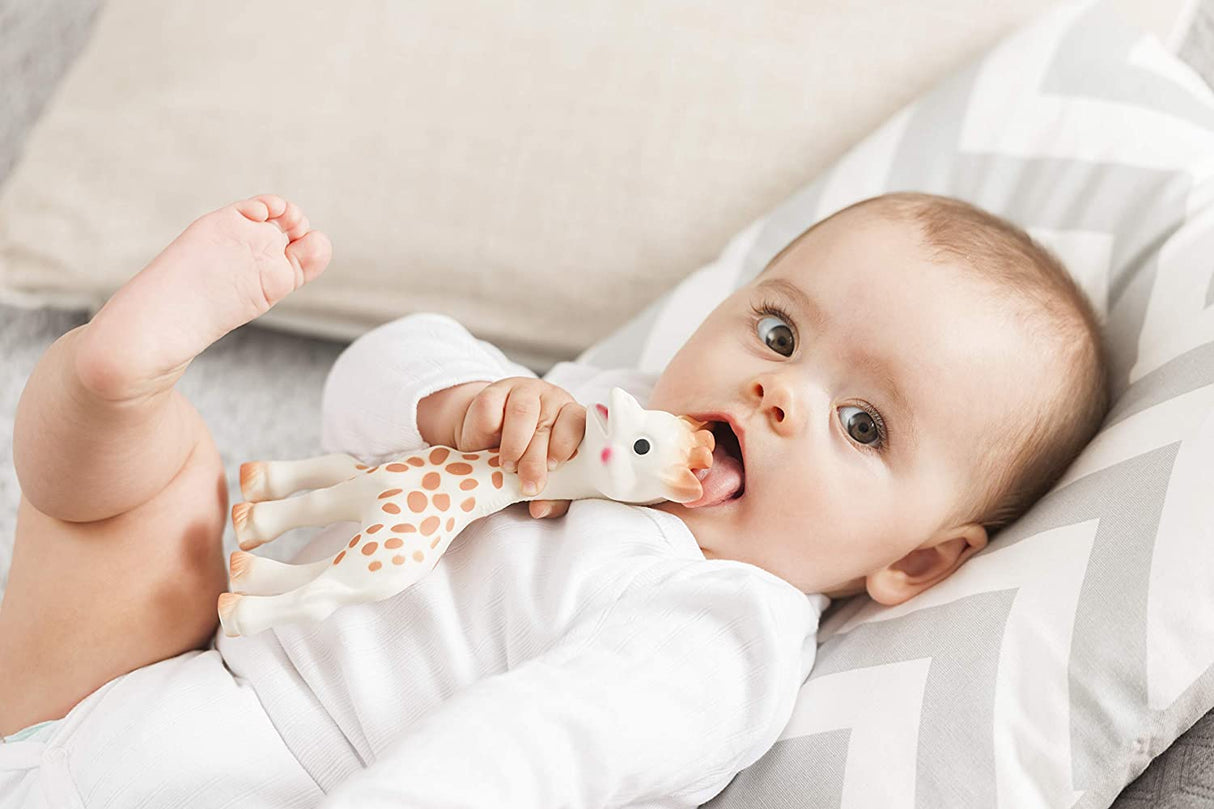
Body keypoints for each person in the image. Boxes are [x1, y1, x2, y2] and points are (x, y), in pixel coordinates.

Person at [0, 190, 1109, 807]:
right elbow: (362, 393)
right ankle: (113, 380)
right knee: (156, 491)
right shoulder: (586, 406)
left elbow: (527, 754)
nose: (778, 391)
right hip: (170, 665)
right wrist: (457, 400)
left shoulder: (724, 624)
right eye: (777, 331)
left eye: (861, 424)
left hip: (297, 775)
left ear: (913, 561)